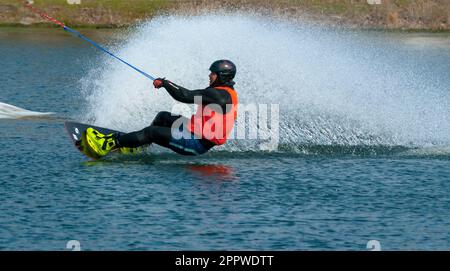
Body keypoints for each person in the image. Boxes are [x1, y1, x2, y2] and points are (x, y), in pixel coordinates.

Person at [85, 60, 238, 157]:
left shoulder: (219, 95)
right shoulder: (223, 92)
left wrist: (165, 83)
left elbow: (184, 96)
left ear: (222, 76)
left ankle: (108, 144)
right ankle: (135, 146)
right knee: (163, 117)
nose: (210, 75)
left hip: (196, 143)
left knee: (151, 132)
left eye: (213, 73)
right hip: (194, 132)